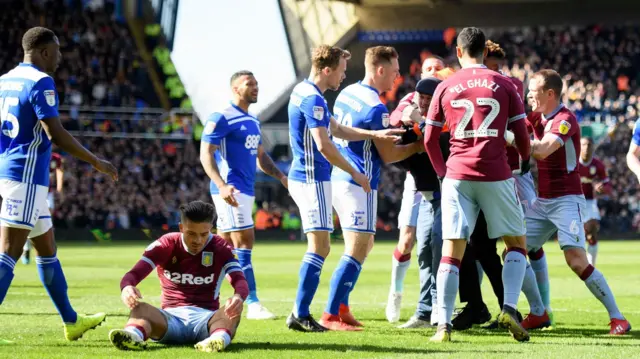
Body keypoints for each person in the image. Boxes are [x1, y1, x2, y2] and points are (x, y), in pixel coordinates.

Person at [0, 27, 117, 341]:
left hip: (13, 172)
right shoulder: (40, 81)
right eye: (57, 50)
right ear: (42, 52)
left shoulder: (4, 81)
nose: (61, 57)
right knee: (8, 254)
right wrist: (96, 161)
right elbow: (56, 134)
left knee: (47, 249)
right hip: (26, 174)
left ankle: (71, 320)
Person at [423, 27, 532, 342]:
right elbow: (522, 133)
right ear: (485, 52)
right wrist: (524, 160)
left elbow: (430, 138)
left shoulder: (446, 86)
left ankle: (442, 325)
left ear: (458, 52)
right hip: (496, 173)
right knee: (516, 244)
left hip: (458, 174)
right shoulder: (504, 84)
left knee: (451, 251)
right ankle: (509, 308)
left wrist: (443, 171)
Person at [285, 45, 402, 332]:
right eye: (341, 71)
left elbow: (336, 129)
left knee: (335, 246)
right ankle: (303, 314)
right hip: (313, 178)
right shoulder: (313, 99)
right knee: (322, 246)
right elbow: (325, 145)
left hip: (313, 177)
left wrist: (373, 134)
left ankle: (315, 312)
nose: (343, 77)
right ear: (327, 69)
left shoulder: (304, 91)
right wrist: (355, 172)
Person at [519, 69, 630, 335]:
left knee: (577, 260)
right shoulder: (536, 116)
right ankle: (538, 313)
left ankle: (618, 318)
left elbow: (543, 149)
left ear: (550, 93)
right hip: (542, 201)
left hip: (567, 200)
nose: (528, 95)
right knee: (514, 251)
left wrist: (515, 140)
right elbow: (516, 126)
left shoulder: (565, 119)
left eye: (533, 91)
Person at [322, 46, 424, 331]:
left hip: (340, 178)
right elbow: (389, 156)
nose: (397, 77)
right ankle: (330, 315)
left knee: (364, 246)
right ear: (380, 70)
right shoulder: (376, 108)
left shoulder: (348, 92)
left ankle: (342, 307)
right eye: (394, 71)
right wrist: (418, 145)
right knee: (356, 250)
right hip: (360, 183)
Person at [200, 70, 287, 320]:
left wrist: (282, 177)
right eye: (249, 84)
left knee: (223, 246)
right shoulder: (221, 117)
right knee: (244, 243)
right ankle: (253, 303)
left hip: (245, 189)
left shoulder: (253, 120)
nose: (256, 87)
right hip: (231, 189)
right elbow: (206, 154)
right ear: (236, 89)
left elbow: (261, 157)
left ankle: (205, 297)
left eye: (257, 83)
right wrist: (222, 184)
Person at [455, 40, 529, 330]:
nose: (492, 73)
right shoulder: (473, 86)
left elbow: (516, 131)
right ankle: (491, 307)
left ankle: (518, 308)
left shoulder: (508, 86)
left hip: (502, 177)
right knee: (478, 248)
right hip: (479, 175)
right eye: (491, 64)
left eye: (497, 67)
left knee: (513, 245)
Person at [108, 201, 248, 352]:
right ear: (181, 227)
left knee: (232, 312)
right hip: (169, 320)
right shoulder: (166, 244)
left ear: (211, 229)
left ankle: (216, 340)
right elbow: (134, 274)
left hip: (207, 319)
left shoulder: (221, 246)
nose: (198, 240)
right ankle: (131, 336)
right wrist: (127, 287)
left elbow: (239, 279)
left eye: (204, 234)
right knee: (140, 308)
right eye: (191, 234)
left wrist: (239, 297)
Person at [385, 56, 445, 324]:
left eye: (437, 69)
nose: (433, 72)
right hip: (417, 177)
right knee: (411, 240)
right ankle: (396, 295)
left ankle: (442, 306)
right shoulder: (412, 98)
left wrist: (420, 122)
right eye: (428, 69)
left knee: (441, 244)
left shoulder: (448, 99)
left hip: (443, 178)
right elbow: (396, 117)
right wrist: (409, 119)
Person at [21, 150, 63, 265]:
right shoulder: (35, 153)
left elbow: (60, 171)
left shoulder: (55, 158)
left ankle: (47, 247)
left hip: (47, 193)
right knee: (30, 222)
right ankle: (27, 248)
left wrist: (59, 188)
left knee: (48, 220)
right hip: (34, 191)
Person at [578, 137, 611, 267]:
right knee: (578, 233)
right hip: (572, 200)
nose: (586, 148)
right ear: (579, 147)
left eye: (589, 145)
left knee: (592, 231)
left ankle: (591, 266)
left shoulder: (598, 165)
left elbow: (608, 185)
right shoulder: (573, 163)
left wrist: (602, 189)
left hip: (590, 202)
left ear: (593, 147)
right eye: (584, 145)